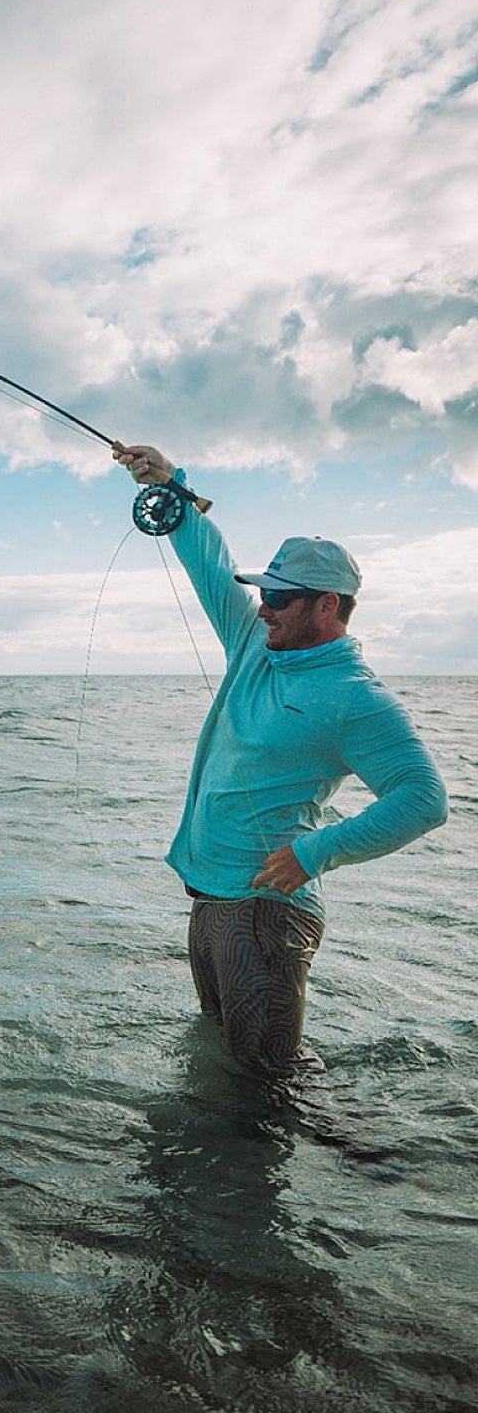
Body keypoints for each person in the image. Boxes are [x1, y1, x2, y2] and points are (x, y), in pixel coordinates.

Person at [112, 443, 448, 1081]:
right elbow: (210, 566)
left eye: (281, 598)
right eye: (265, 594)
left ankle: (373, 1164)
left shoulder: (357, 699)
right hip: (211, 898)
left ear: (329, 606)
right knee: (229, 1066)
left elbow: (424, 799)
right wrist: (171, 485)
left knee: (270, 1078)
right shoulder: (256, 642)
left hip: (267, 913)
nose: (264, 607)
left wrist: (313, 854)